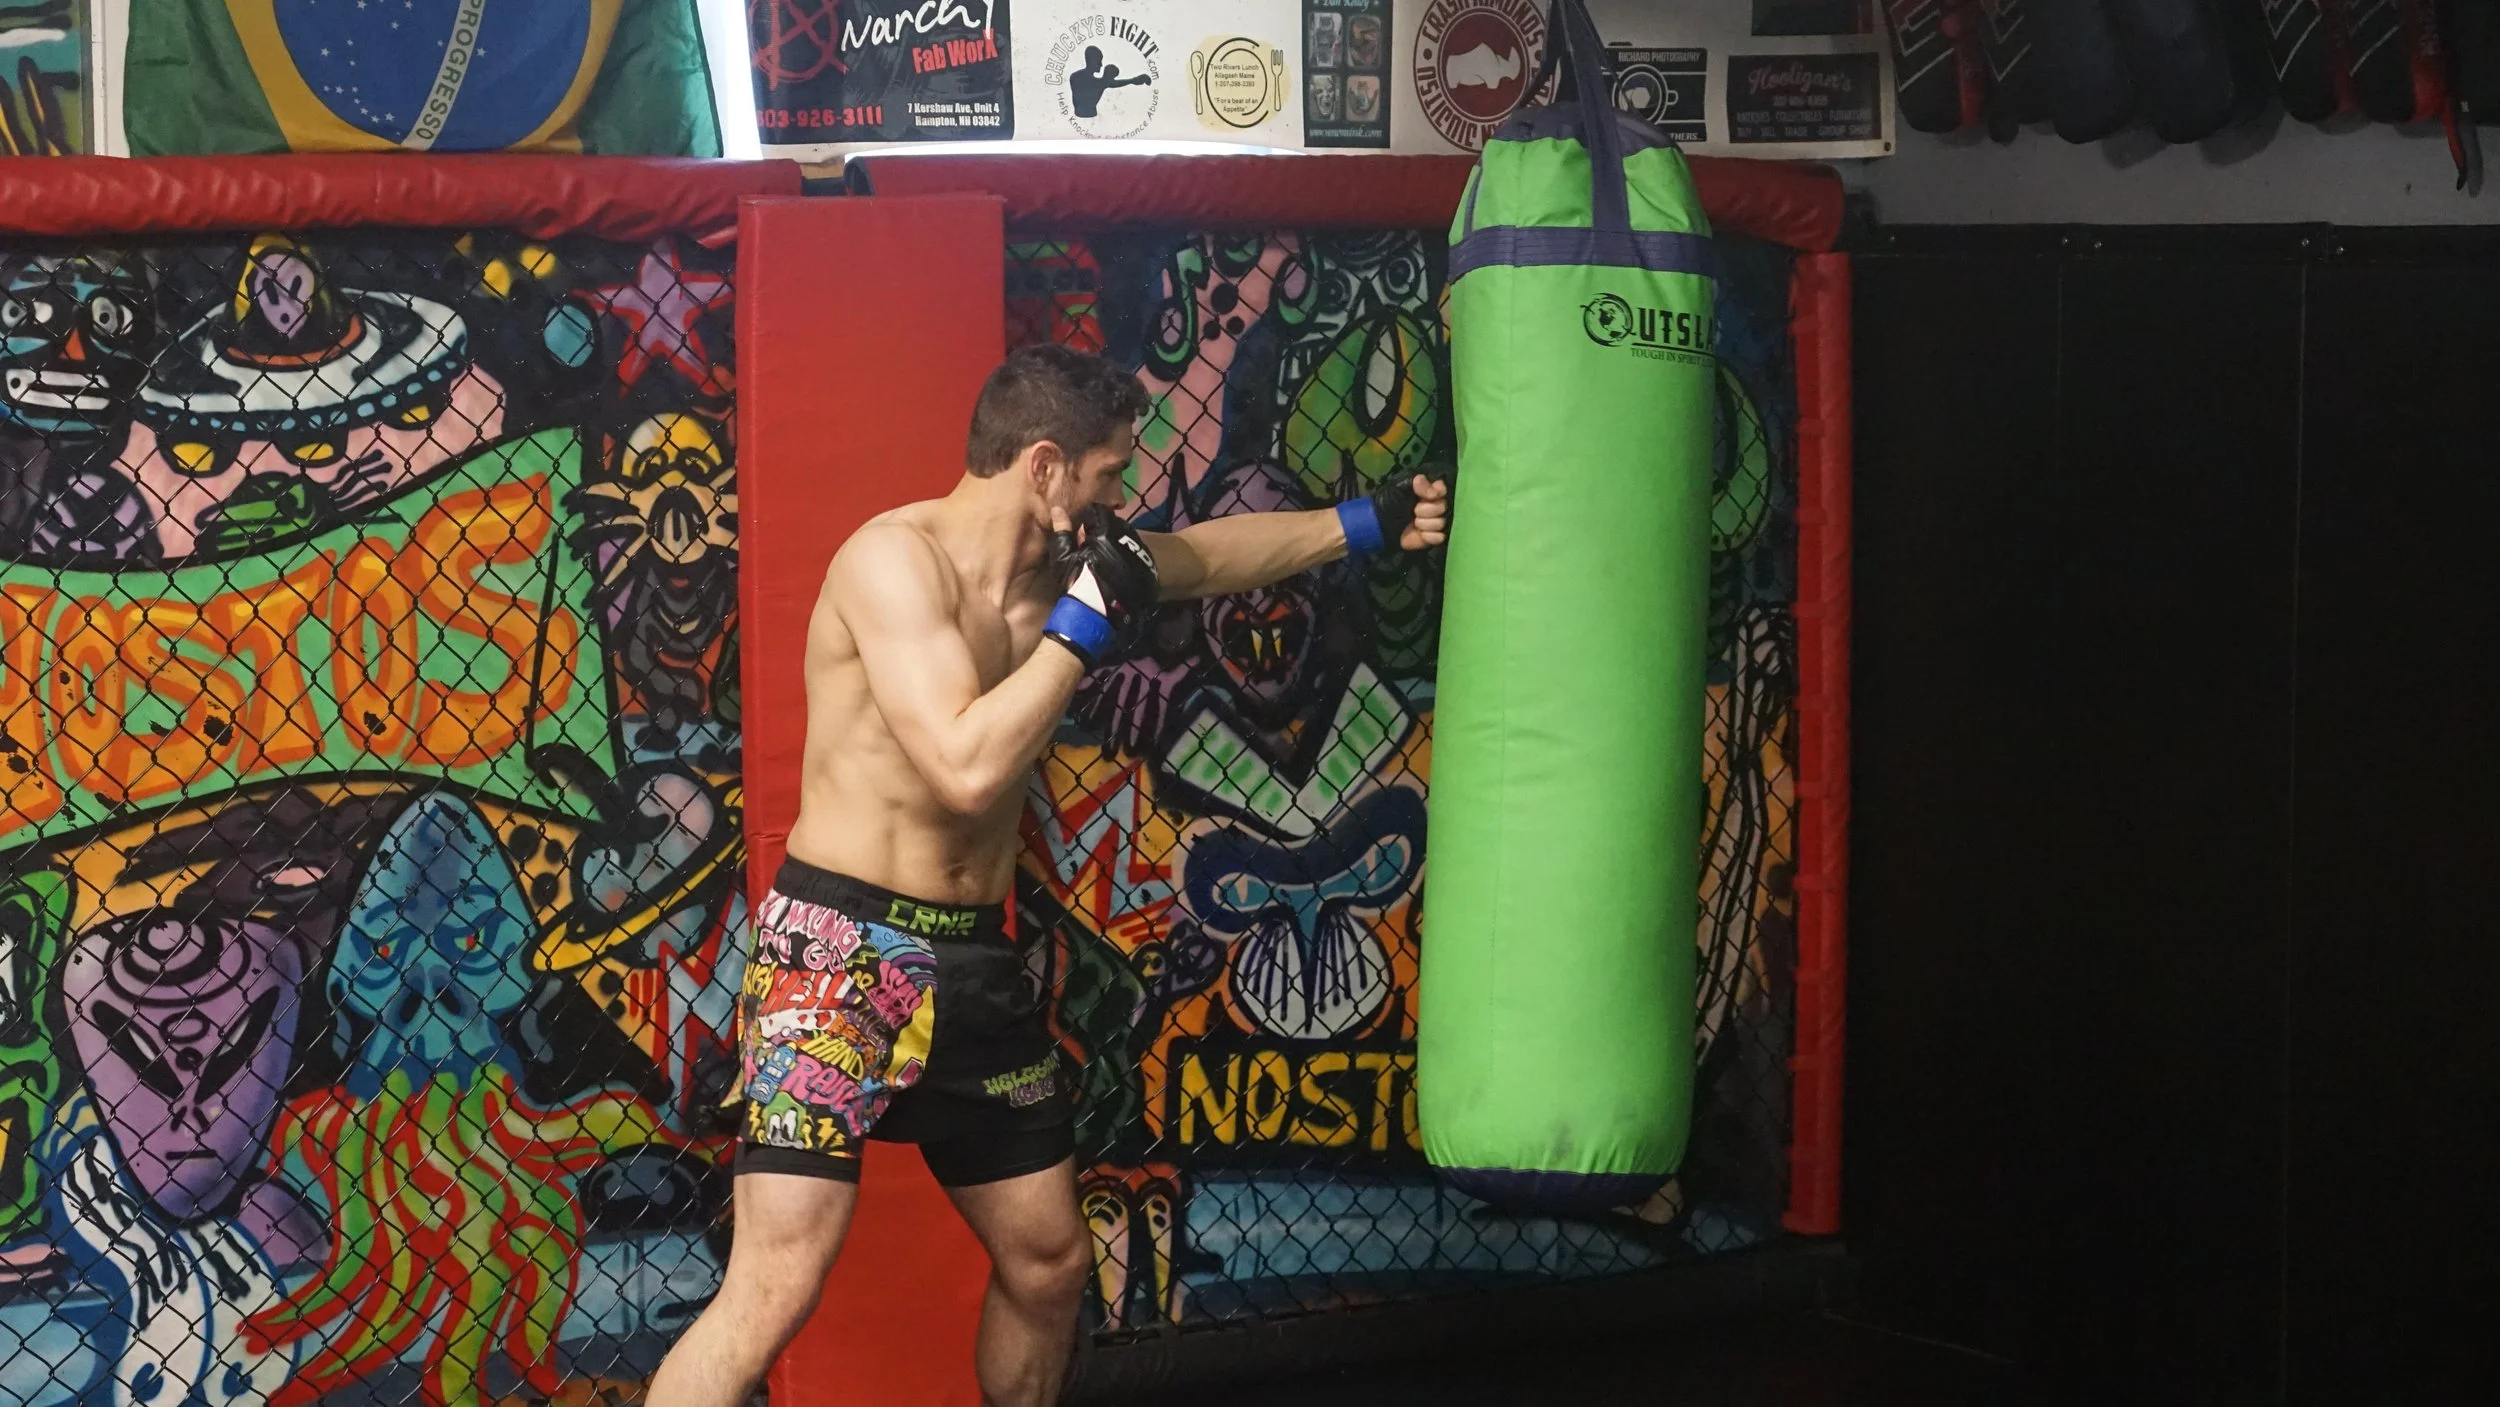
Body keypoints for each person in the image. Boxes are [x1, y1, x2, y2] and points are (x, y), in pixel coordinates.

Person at [648, 345, 1450, 1407]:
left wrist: (1365, 524)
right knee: (775, 1281)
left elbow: (1212, 554)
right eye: (1110, 472)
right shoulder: (895, 563)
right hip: (839, 956)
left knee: (1049, 1263)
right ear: (1043, 465)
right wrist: (1082, 626)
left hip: (974, 958)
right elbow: (967, 766)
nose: (1124, 493)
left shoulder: (1063, 572)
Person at [1068, 45, 1153, 119]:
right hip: (1085, 117)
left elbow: (1107, 83)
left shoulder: (1075, 76)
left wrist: (1132, 80)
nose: (1101, 64)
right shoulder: (1080, 78)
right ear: (1092, 60)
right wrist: (1133, 80)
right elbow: (1107, 83)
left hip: (1088, 117)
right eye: (1099, 61)